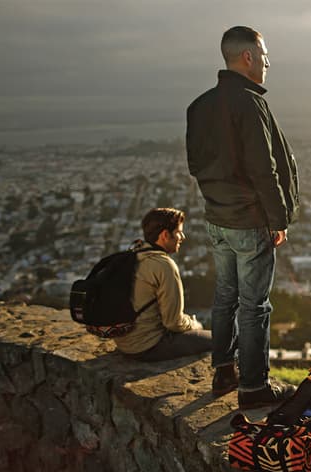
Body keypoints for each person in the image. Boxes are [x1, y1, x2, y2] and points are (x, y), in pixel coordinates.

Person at [186, 26, 299, 409]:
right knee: (255, 305)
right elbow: (264, 169)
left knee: (224, 296)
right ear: (247, 57)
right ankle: (254, 388)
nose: (268, 64)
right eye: (264, 56)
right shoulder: (250, 103)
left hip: (216, 217)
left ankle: (223, 370)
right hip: (249, 220)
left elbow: (195, 164)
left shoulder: (199, 106)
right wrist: (278, 218)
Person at [114, 208, 212, 361]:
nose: (183, 237)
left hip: (125, 343)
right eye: (179, 232)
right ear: (165, 235)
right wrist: (195, 325)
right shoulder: (164, 265)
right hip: (148, 346)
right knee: (221, 340)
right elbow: (174, 322)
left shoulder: (135, 254)